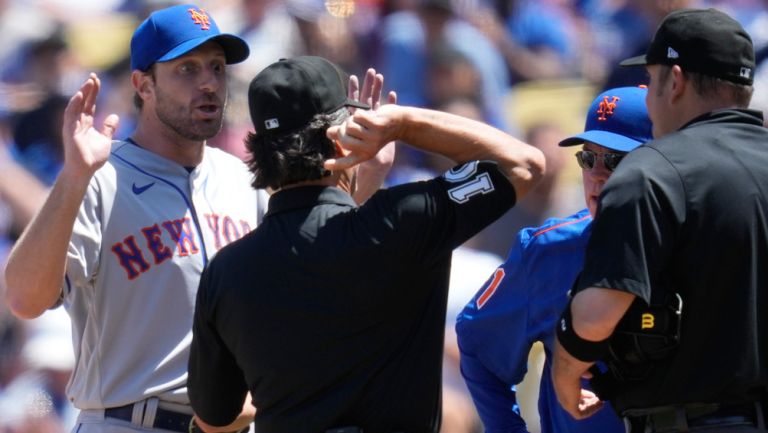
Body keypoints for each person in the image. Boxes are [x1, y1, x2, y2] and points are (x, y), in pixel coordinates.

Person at [3, 4, 392, 433]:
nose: (209, 83)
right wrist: (73, 178)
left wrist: (367, 178)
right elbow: (25, 299)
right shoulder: (99, 178)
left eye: (217, 68)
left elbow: (318, 279)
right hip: (130, 421)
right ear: (143, 84)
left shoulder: (247, 180)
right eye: (187, 69)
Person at [186, 55, 545, 433]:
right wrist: (404, 125)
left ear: (259, 150)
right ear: (343, 139)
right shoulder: (404, 220)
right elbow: (524, 164)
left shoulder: (227, 271)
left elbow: (215, 419)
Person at [551, 8, 768, 433]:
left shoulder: (651, 172)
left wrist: (564, 369)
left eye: (651, 80)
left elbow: (595, 318)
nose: (648, 97)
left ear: (676, 81)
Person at [456, 86, 652, 433]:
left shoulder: (703, 244)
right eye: (589, 158)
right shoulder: (549, 250)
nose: (598, 174)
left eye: (617, 159)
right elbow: (477, 346)